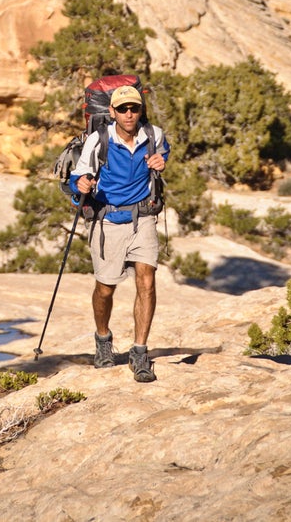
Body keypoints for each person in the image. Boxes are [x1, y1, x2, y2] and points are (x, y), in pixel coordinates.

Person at [70, 84, 169, 383]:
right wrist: (81, 185)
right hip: (108, 220)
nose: (129, 114)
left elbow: (162, 158)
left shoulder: (154, 135)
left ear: (141, 110)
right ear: (112, 112)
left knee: (147, 281)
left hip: (143, 217)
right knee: (105, 288)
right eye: (123, 109)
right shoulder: (100, 140)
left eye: (134, 108)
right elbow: (77, 179)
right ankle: (103, 339)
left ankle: (140, 352)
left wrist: (161, 162)